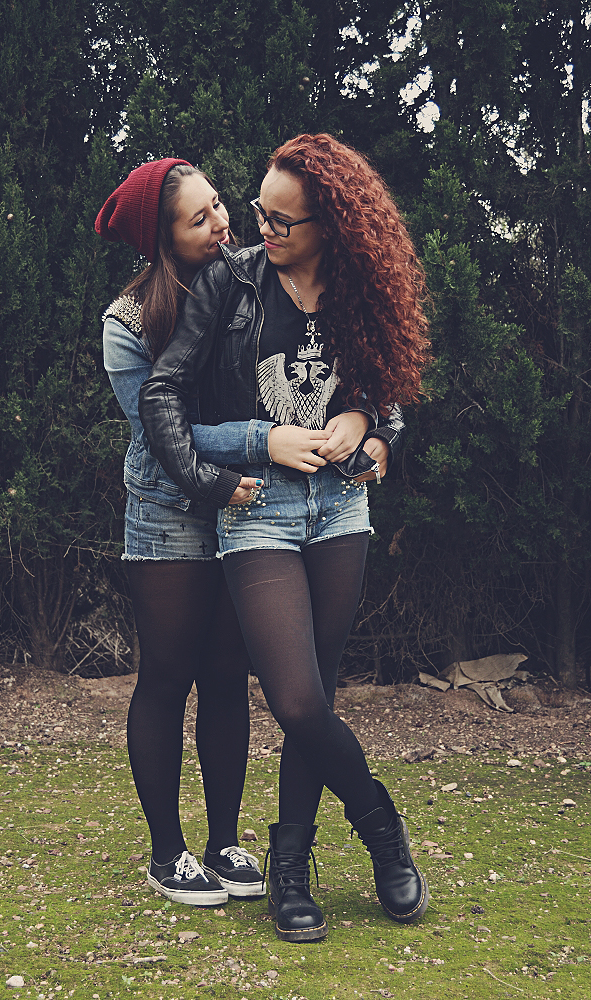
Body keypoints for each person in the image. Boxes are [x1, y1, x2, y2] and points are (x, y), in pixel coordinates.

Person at [140, 134, 432, 940]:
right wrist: (225, 468)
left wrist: (373, 428)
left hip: (339, 506)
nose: (260, 230)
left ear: (331, 225)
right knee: (295, 699)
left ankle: (291, 868)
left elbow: (390, 389)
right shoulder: (229, 283)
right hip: (258, 507)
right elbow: (163, 397)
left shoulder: (361, 287)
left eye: (282, 221)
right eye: (260, 212)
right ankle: (382, 829)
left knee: (318, 695)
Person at [95, 159, 273, 905]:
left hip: (241, 505)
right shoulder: (128, 323)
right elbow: (167, 433)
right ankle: (167, 852)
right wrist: (262, 442)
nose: (222, 224)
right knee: (168, 674)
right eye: (199, 219)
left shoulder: (250, 284)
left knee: (228, 675)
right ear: (162, 239)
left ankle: (223, 841)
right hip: (168, 509)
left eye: (219, 205)